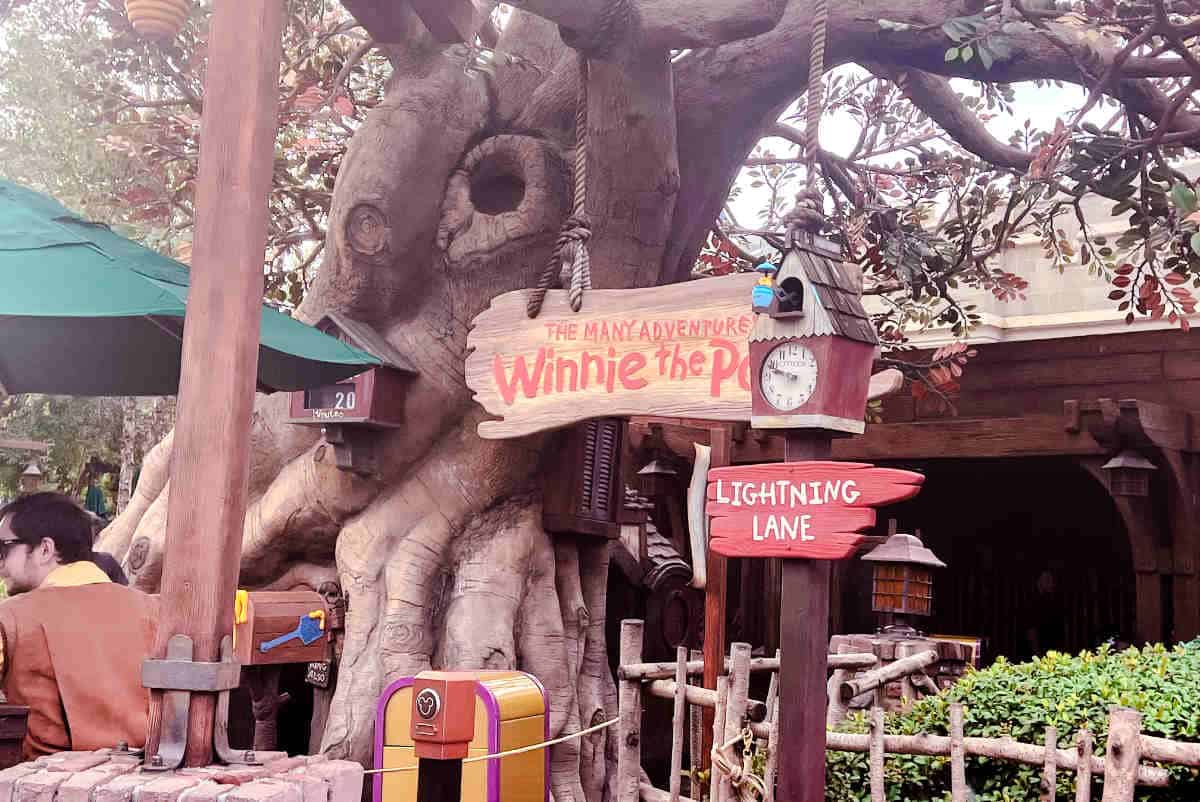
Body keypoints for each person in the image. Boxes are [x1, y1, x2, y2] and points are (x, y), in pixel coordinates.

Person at [0, 492, 157, 758]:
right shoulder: (154, 610)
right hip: (153, 774)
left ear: (45, 549)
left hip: (44, 778)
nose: (0, 562)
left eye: (3, 548)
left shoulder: (10, 618)